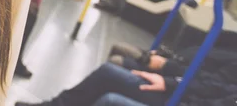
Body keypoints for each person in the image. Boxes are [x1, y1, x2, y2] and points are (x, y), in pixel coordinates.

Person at [16, 42, 237, 106]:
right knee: (114, 64)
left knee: (108, 77)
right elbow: (198, 61)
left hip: (185, 96)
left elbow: (215, 87)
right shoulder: (229, 39)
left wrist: (171, 81)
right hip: (180, 82)